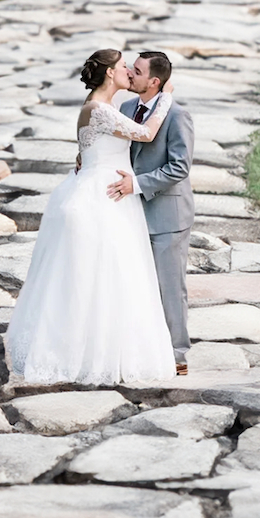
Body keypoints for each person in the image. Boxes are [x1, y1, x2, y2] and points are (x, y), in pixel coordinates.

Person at [4, 49, 176, 385]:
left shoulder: (104, 107)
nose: (128, 70)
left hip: (107, 192)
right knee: (95, 280)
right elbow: (146, 134)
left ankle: (103, 350)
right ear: (110, 73)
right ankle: (83, 356)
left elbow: (92, 148)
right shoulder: (98, 108)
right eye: (123, 66)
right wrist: (165, 98)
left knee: (111, 279)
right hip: (102, 199)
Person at [106, 51, 195, 376]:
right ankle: (143, 348)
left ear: (154, 82)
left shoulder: (177, 116)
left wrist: (138, 184)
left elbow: (179, 167)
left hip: (167, 216)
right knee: (136, 284)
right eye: (130, 66)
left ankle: (177, 354)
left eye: (137, 70)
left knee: (169, 286)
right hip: (133, 213)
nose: (130, 72)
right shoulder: (128, 108)